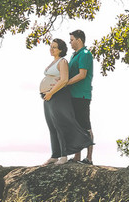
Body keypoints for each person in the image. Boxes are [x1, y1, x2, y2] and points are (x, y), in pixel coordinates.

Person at [39, 37, 92, 165]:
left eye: (54, 47)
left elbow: (64, 80)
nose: (51, 49)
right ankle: (55, 155)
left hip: (57, 96)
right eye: (51, 46)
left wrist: (51, 93)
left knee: (60, 125)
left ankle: (63, 156)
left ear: (61, 50)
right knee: (52, 126)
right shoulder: (53, 62)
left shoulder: (62, 62)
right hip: (48, 98)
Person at [66, 29, 95, 164]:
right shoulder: (74, 56)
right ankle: (77, 156)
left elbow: (82, 74)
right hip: (72, 95)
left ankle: (89, 158)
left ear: (79, 40)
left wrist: (66, 83)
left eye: (72, 40)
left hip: (82, 95)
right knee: (75, 126)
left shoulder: (85, 54)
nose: (70, 43)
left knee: (85, 126)